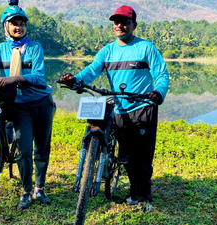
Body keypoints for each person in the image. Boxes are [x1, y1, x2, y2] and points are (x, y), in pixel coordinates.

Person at [59, 5, 169, 209]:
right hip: (119, 108)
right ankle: (134, 191)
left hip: (143, 106)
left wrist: (158, 92)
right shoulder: (107, 50)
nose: (120, 25)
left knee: (141, 156)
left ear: (133, 25)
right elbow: (92, 70)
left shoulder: (146, 47)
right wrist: (75, 79)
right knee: (126, 156)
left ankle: (142, 197)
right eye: (116, 22)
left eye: (125, 22)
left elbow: (161, 74)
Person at [0, 5, 56, 209]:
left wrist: (14, 78)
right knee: (24, 148)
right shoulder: (0, 49)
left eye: (21, 23)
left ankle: (40, 188)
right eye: (14, 23)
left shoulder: (35, 47)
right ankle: (27, 191)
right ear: (6, 27)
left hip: (41, 103)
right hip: (19, 106)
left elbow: (38, 76)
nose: (18, 27)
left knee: (41, 146)